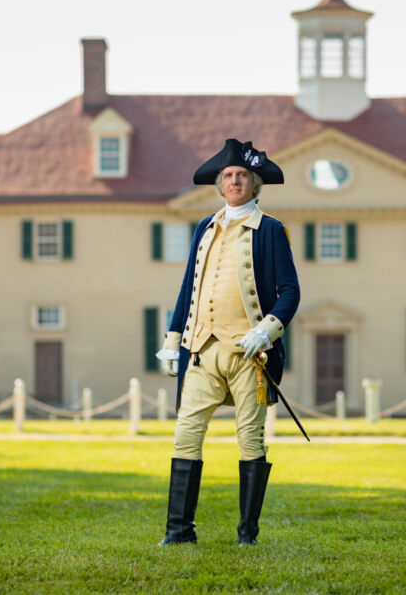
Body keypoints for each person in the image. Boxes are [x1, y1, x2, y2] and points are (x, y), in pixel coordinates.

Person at [156, 138, 300, 546]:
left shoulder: (270, 229)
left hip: (249, 353)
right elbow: (189, 287)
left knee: (250, 438)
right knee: (186, 433)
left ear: (255, 184)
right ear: (220, 186)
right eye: (228, 176)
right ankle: (178, 532)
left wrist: (266, 330)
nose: (234, 181)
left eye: (242, 176)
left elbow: (290, 291)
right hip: (201, 349)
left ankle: (247, 534)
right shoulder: (204, 227)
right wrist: (173, 339)